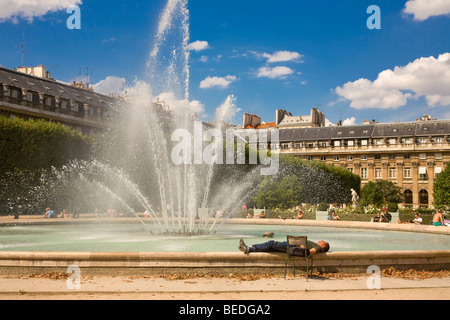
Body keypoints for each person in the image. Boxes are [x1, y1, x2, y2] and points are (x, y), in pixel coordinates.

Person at [238, 238, 330, 256]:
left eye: (324, 242)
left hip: (293, 246)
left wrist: (301, 245)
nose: (322, 240)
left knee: (271, 244)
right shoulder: (317, 245)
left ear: (323, 246)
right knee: (270, 248)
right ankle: (249, 248)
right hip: (293, 245)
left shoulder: (317, 247)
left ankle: (248, 248)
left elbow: (308, 253)